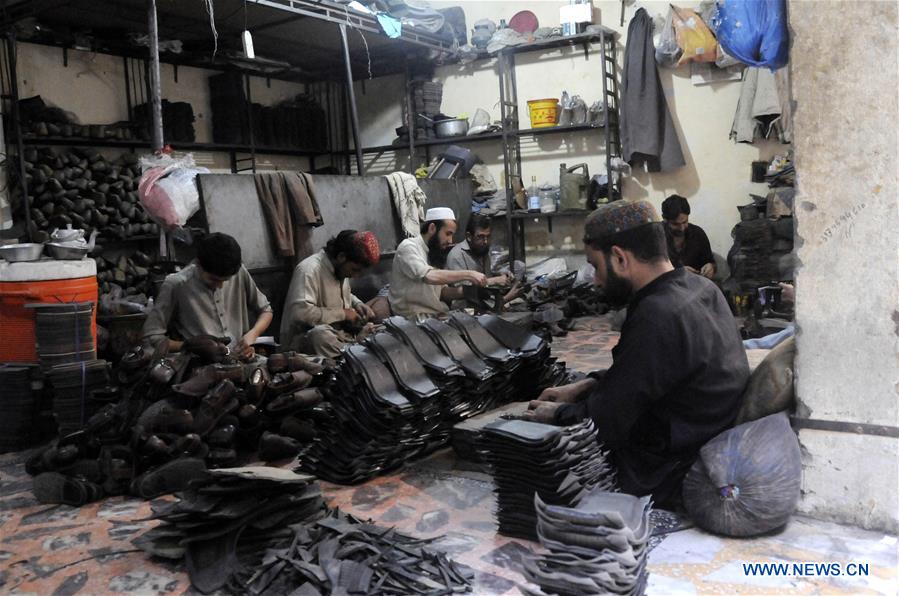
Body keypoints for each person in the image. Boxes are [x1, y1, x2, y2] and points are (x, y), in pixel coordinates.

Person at [524, 200, 749, 507]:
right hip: (703, 434)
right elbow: (655, 370)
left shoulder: (657, 314)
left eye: (595, 266)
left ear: (619, 258)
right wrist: (587, 384)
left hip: (672, 468)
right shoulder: (700, 287)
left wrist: (556, 414)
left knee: (547, 466)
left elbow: (605, 423)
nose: (595, 279)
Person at [142, 232, 273, 360]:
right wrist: (190, 346)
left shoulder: (238, 272)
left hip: (237, 359)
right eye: (214, 280)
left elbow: (266, 311)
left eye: (225, 280)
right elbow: (151, 336)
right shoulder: (177, 284)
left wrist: (252, 335)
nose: (220, 286)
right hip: (199, 364)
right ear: (198, 264)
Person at [280, 230, 380, 357]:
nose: (355, 275)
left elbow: (342, 294)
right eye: (354, 269)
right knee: (320, 336)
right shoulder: (309, 270)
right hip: (305, 342)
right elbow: (300, 314)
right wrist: (343, 314)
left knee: (379, 330)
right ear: (341, 257)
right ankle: (352, 353)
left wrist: (357, 304)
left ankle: (352, 350)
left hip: (340, 336)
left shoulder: (340, 269)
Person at [388, 207, 487, 318]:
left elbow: (443, 293)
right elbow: (429, 276)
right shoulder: (408, 247)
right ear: (432, 228)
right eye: (448, 234)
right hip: (412, 320)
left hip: (436, 316)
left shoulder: (434, 252)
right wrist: (469, 274)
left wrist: (469, 292)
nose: (450, 241)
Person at [445, 213, 524, 307]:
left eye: (488, 236)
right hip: (466, 310)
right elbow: (465, 291)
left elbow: (486, 279)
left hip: (486, 306)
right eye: (480, 237)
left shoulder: (482, 251)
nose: (485, 241)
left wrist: (502, 276)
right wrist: (495, 281)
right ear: (469, 236)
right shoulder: (457, 255)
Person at [661, 194, 716, 279]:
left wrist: (711, 267)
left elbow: (710, 261)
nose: (682, 228)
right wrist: (677, 272)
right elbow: (651, 272)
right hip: (669, 287)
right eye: (675, 224)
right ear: (665, 220)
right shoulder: (656, 238)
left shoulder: (698, 233)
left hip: (696, 284)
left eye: (684, 222)